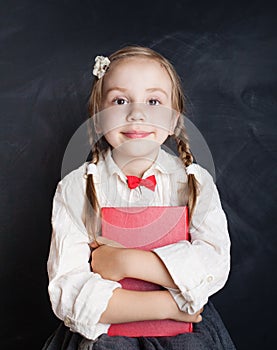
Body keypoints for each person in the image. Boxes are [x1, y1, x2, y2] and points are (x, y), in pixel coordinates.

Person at [43, 45, 236, 349]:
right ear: (98, 116)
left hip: (185, 337)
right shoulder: (75, 188)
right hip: (106, 337)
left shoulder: (194, 182)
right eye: (120, 100)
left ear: (174, 119)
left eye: (154, 101)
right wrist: (167, 307)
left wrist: (127, 262)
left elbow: (213, 264)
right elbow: (69, 289)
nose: (137, 113)